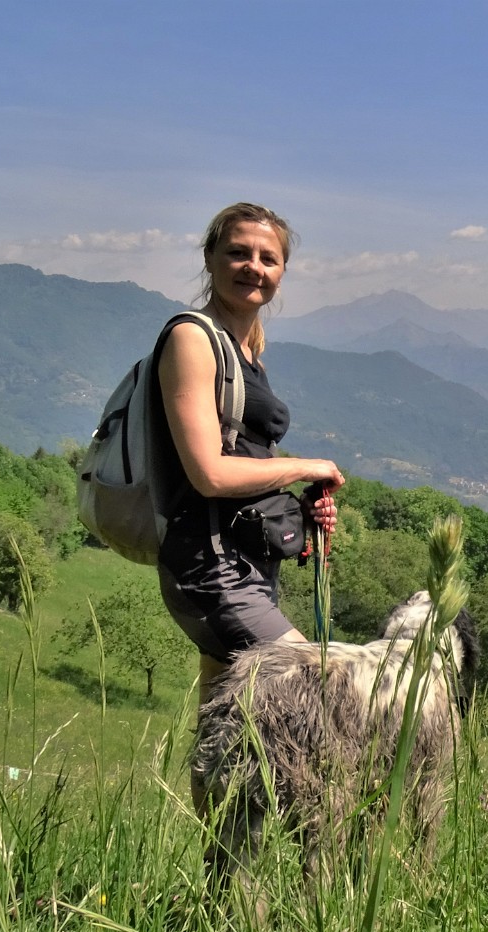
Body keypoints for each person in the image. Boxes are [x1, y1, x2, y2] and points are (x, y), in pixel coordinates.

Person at [156, 202, 345, 703]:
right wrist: (307, 466)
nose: (253, 267)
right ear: (210, 257)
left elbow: (245, 458)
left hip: (246, 558)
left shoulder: (245, 347)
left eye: (268, 258)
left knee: (224, 729)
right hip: (211, 566)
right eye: (238, 252)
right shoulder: (191, 339)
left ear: (282, 272)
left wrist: (299, 504)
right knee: (317, 685)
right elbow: (209, 475)